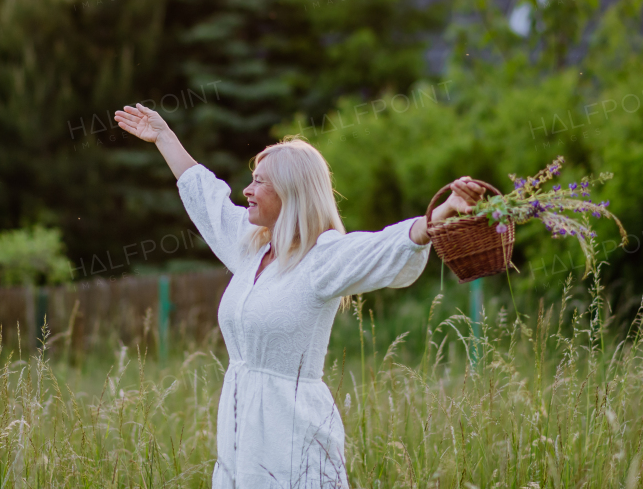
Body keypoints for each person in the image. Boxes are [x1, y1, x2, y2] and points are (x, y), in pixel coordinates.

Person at [113, 103, 485, 489]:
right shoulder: (251, 249)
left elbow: (380, 246)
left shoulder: (321, 258)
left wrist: (440, 215)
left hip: (293, 435)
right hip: (240, 433)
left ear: (291, 192)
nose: (247, 190)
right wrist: (164, 137)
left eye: (259, 182)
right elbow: (209, 201)